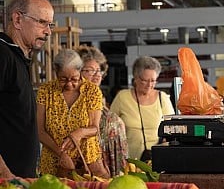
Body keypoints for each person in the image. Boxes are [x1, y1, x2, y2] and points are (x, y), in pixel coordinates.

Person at [0, 0, 54, 178]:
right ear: (17, 19)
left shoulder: (18, 57)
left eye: (50, 25)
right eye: (42, 22)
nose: (48, 32)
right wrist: (6, 175)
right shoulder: (3, 55)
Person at [36, 49, 108, 178]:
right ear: (56, 72)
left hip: (87, 160)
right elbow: (40, 131)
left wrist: (79, 133)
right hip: (53, 160)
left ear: (80, 71)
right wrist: (61, 153)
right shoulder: (45, 91)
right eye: (63, 79)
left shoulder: (92, 91)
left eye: (74, 79)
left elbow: (95, 128)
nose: (69, 84)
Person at [76, 44, 129, 176]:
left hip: (113, 166)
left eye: (99, 71)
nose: (97, 75)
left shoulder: (99, 98)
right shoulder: (74, 102)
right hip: (91, 167)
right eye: (90, 70)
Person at [110, 56, 175, 160]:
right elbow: (109, 127)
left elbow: (173, 129)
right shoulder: (122, 97)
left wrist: (165, 144)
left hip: (156, 160)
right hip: (127, 161)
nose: (149, 85)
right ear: (135, 78)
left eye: (153, 81)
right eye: (145, 80)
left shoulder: (162, 98)